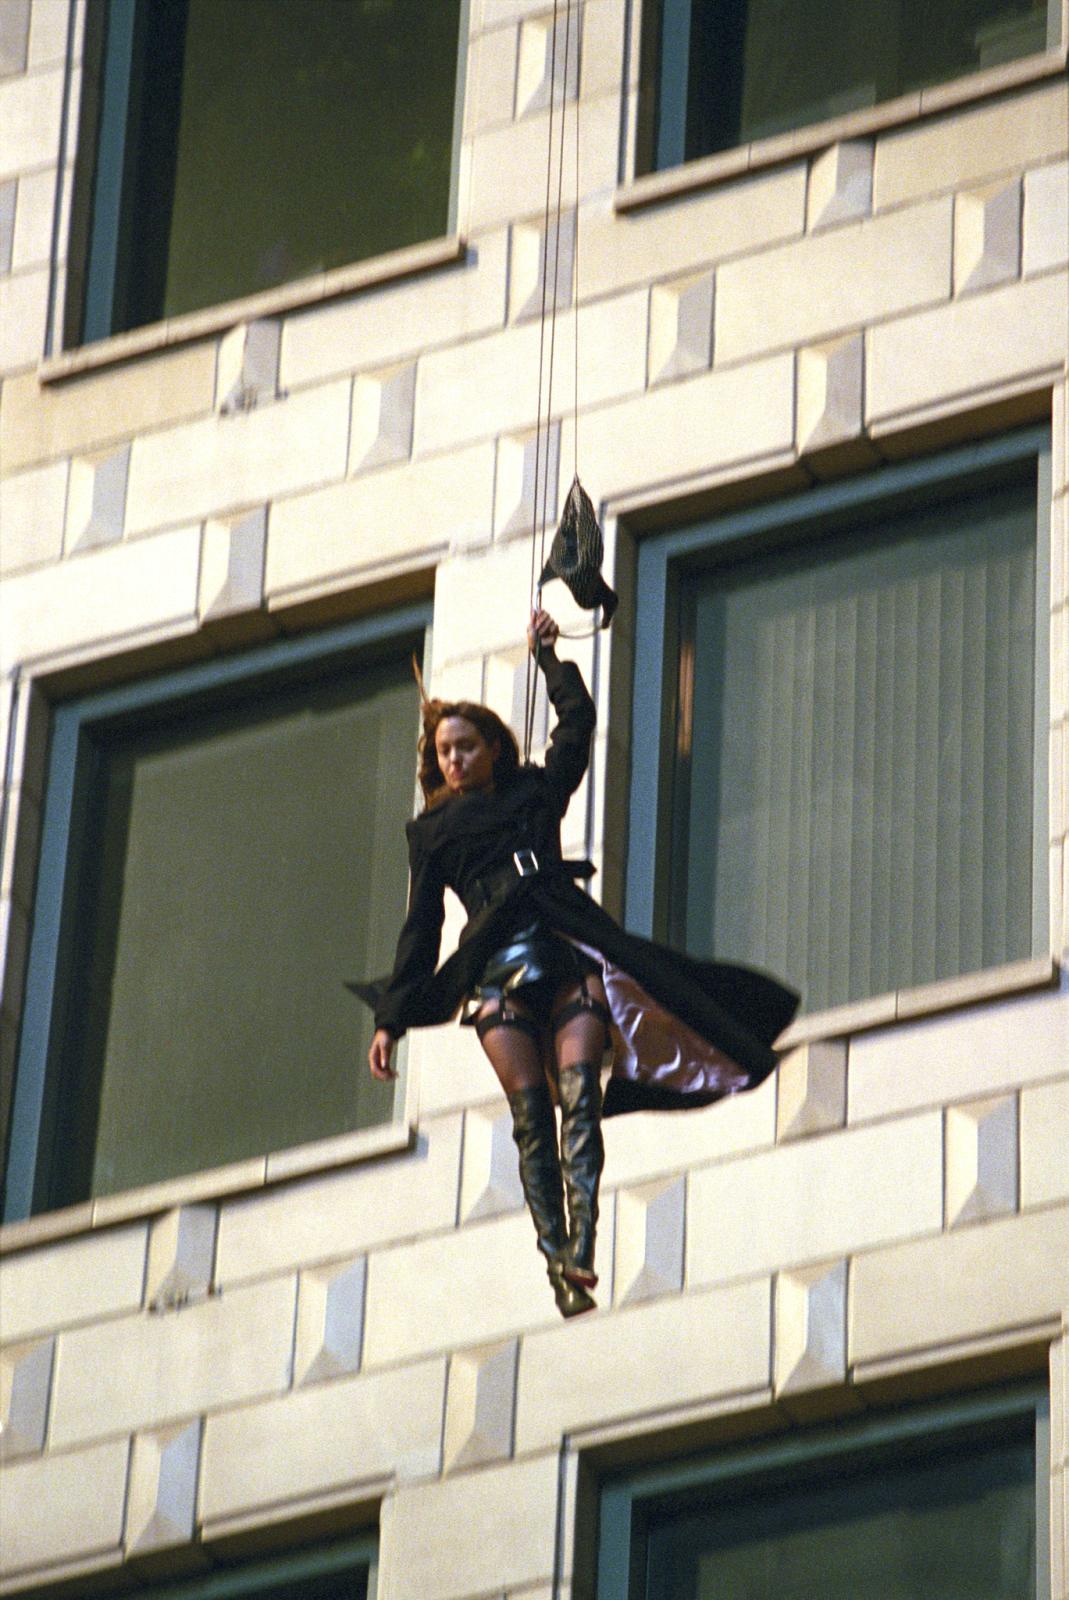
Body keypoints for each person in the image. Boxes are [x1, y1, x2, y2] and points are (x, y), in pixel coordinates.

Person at [359, 609, 798, 1319]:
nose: (454, 760)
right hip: (494, 970)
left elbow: (577, 725)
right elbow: (423, 927)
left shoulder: (533, 792)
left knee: (580, 1102)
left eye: (466, 746)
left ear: (492, 748)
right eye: (444, 751)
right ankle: (556, 1262)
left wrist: (549, 659)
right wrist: (392, 1020)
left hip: (564, 950)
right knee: (532, 1118)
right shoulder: (431, 832)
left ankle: (583, 1247)